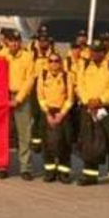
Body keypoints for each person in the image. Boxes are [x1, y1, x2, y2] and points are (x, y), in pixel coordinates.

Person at [76, 40, 109, 192]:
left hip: (108, 109)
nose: (93, 54)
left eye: (96, 51)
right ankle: (90, 174)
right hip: (89, 109)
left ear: (103, 53)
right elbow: (80, 84)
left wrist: (100, 100)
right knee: (89, 141)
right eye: (91, 51)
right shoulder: (85, 65)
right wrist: (88, 101)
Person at [1, 29, 36, 180]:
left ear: (20, 42)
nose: (14, 43)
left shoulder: (28, 57)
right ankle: (1, 166)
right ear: (6, 42)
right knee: (3, 133)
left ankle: (25, 167)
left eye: (17, 41)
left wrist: (18, 99)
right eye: (11, 41)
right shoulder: (2, 56)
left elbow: (30, 80)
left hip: (22, 98)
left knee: (24, 134)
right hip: (4, 96)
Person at [37, 52, 74, 183]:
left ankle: (64, 172)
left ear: (60, 62)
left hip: (62, 113)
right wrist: (47, 113)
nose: (54, 63)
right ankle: (50, 171)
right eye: (51, 61)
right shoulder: (43, 75)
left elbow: (70, 98)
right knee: (47, 143)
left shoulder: (67, 76)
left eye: (56, 61)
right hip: (47, 112)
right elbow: (40, 96)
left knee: (65, 142)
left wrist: (62, 114)